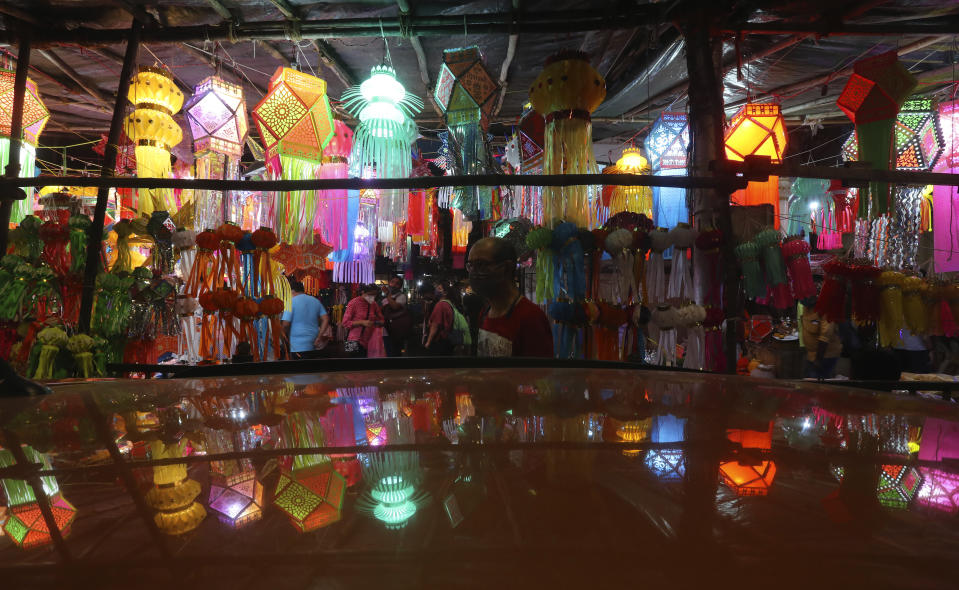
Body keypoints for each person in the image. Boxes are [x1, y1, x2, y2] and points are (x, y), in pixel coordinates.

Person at [467, 237, 554, 358]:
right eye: (470, 266)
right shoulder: (484, 313)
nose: (473, 272)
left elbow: (540, 374)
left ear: (506, 268)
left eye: (481, 265)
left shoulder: (530, 318)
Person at [281, 278, 330, 360]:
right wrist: (319, 336)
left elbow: (285, 325)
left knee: (299, 370)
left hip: (297, 345)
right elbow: (326, 319)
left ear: (292, 291)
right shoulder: (315, 301)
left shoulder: (291, 302)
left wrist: (281, 337)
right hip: (313, 342)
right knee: (311, 368)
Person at [341, 284, 386, 358]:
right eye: (370, 294)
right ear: (362, 292)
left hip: (369, 341)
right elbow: (345, 323)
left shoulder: (374, 304)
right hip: (353, 340)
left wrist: (375, 323)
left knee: (366, 366)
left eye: (374, 295)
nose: (372, 297)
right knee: (353, 366)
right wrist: (362, 322)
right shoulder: (353, 303)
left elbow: (382, 320)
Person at [800, 303, 842, 379]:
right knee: (809, 380)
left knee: (817, 384)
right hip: (811, 355)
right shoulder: (806, 306)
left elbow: (825, 337)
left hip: (825, 355)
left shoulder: (826, 308)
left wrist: (817, 361)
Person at [422, 281, 460, 356]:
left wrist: (428, 342)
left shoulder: (440, 305)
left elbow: (435, 325)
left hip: (440, 340)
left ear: (445, 293)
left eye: (439, 289)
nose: (436, 290)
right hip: (449, 339)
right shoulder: (449, 303)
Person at [381, 276, 412, 357]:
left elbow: (394, 306)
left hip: (396, 330)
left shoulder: (401, 296)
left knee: (395, 353)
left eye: (397, 283)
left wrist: (387, 293)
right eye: (392, 282)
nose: (394, 285)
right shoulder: (384, 297)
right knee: (387, 352)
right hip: (385, 330)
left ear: (400, 286)